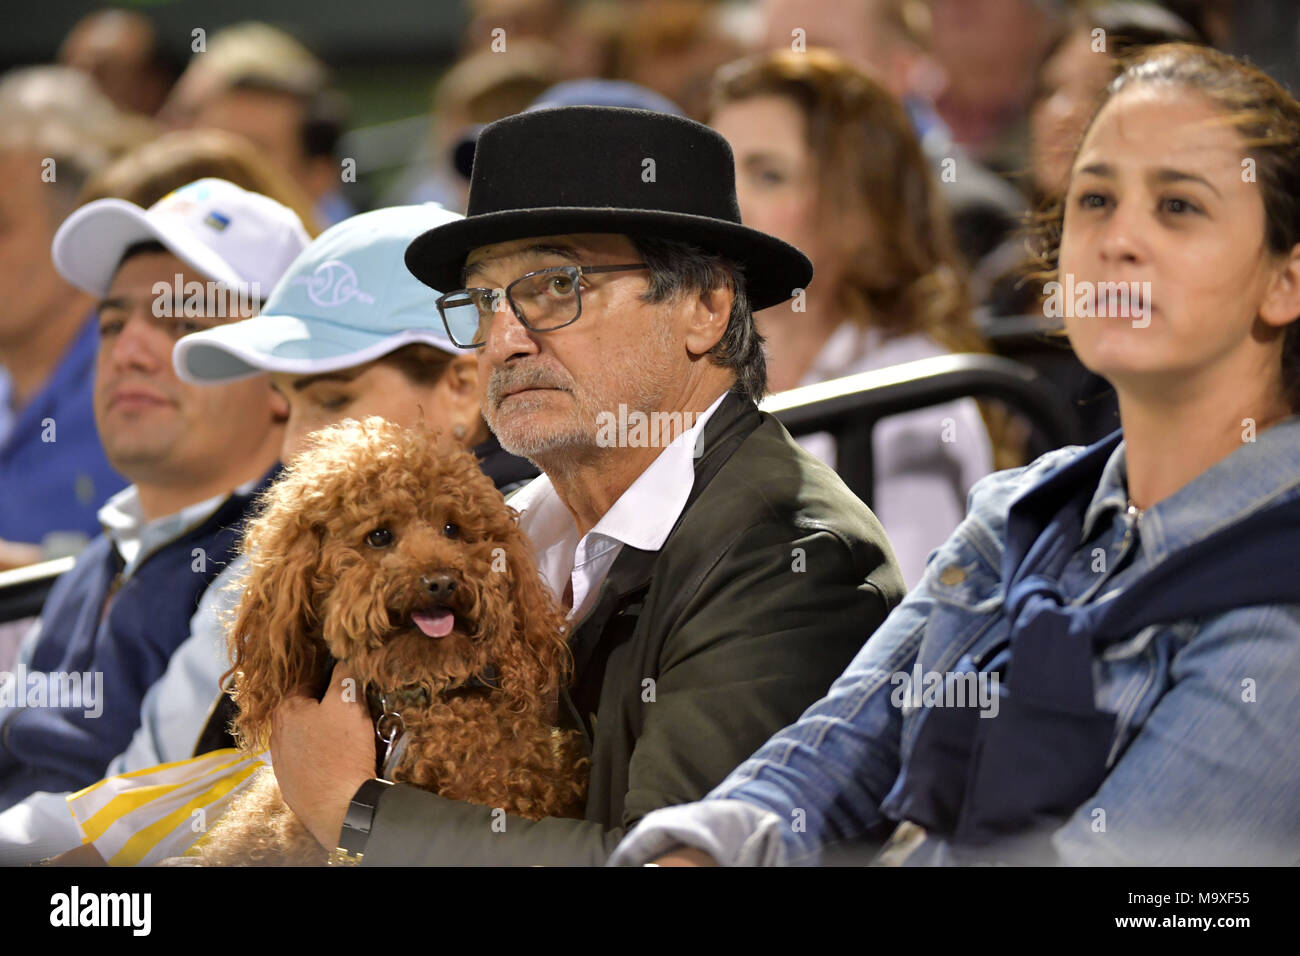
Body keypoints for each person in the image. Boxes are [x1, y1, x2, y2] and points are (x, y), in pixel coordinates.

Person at [610, 43, 1300, 867]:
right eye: (1096, 199)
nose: (1119, 240)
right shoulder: (1022, 511)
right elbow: (826, 756)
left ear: (1285, 283)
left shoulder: (1279, 596)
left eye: (1179, 207)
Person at [267, 105, 907, 866]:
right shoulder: (495, 532)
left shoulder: (795, 559)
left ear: (705, 306)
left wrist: (356, 810)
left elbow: (664, 859)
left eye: (553, 285)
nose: (503, 340)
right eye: (483, 303)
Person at [0, 203, 537, 864]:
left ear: (463, 387)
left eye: (333, 399)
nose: (292, 447)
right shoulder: (271, 559)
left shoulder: (526, 545)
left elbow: (160, 814)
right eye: (289, 398)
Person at [0, 178, 308, 811]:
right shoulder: (105, 549)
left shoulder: (275, 564)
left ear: (283, 374)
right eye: (112, 323)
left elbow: (131, 831)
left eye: (181, 321)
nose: (128, 350)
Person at [709, 49, 996, 587]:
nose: (725, 203)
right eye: (717, 172)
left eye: (768, 174)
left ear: (858, 205)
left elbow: (906, 619)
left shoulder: (914, 392)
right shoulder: (673, 363)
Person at [0, 68, 139, 568]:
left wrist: (27, 569)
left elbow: (179, 563)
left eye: (2, 225)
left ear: (79, 242)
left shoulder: (140, 384)